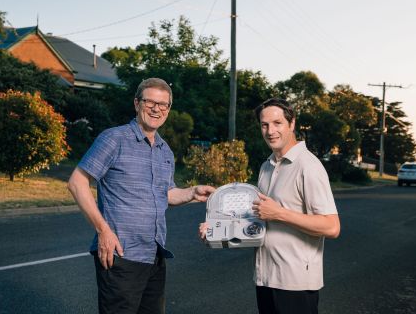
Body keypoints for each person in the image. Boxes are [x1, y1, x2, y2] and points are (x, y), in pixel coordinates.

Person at [68, 77, 214, 314]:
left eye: (163, 104)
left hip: (154, 256)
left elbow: (166, 194)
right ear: (137, 104)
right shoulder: (114, 139)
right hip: (121, 255)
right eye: (150, 102)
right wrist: (103, 231)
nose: (156, 109)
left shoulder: (164, 150)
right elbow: (77, 183)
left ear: (168, 109)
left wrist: (192, 192)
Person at [200, 98, 340, 314]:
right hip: (266, 278)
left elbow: (331, 227)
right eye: (264, 125)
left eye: (277, 123)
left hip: (295, 283)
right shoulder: (267, 166)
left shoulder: (308, 166)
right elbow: (257, 218)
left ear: (292, 124)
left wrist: (280, 213)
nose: (270, 131)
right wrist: (216, 229)